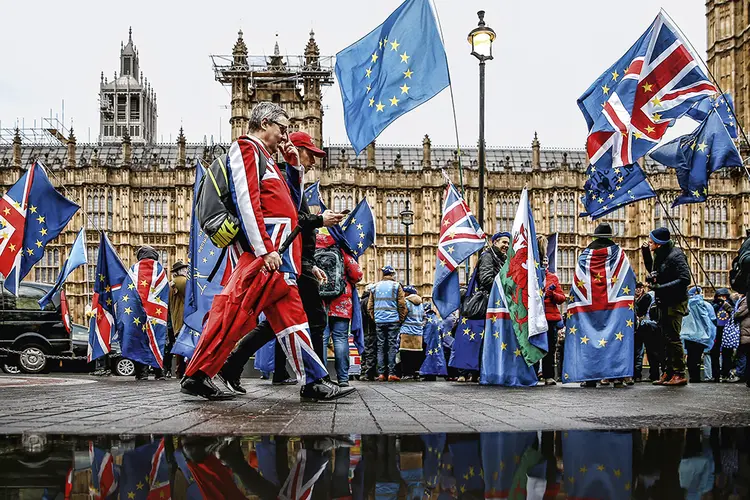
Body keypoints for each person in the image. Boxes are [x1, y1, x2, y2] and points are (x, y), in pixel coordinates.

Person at [181, 102, 354, 401]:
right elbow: (247, 201)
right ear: (264, 123)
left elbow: (290, 204)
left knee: (291, 318)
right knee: (233, 313)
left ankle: (313, 381)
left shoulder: (268, 159)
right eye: (282, 128)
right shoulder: (246, 149)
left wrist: (295, 167)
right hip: (264, 255)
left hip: (280, 254)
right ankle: (197, 374)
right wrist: (264, 250)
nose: (286, 135)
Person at [563, 222, 636, 388]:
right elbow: (630, 277)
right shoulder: (619, 255)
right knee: (616, 339)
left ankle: (590, 378)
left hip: (588, 307)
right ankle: (617, 376)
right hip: (616, 307)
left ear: (595, 236)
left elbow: (577, 282)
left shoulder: (584, 256)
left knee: (587, 339)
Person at [316, 231, 363, 387]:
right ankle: (343, 378)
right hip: (341, 302)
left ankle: (322, 377)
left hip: (319, 302)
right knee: (341, 339)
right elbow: (357, 275)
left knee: (322, 339)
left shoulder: (313, 251)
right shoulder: (341, 250)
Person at [646, 227, 691, 387]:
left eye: (651, 241)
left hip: (675, 301)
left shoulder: (676, 255)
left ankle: (679, 373)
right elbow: (660, 273)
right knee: (664, 338)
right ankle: (669, 371)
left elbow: (685, 279)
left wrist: (660, 287)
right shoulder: (661, 255)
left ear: (658, 243)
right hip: (663, 302)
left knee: (673, 338)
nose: (648, 243)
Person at [367, 266, 407, 381]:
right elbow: (402, 304)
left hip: (379, 321)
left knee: (380, 346)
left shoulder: (374, 287)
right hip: (393, 320)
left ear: (383, 274)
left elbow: (370, 306)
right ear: (393, 275)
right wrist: (400, 318)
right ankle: (391, 373)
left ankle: (380, 374)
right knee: (391, 346)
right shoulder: (396, 286)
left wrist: (376, 318)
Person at [538, 236, 566, 386]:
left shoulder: (553, 278)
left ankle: (549, 376)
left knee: (549, 347)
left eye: (546, 262)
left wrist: (552, 295)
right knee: (535, 346)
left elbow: (562, 298)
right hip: (535, 316)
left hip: (550, 317)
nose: (544, 264)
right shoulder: (532, 276)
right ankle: (533, 375)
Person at [680, 286, 716, 383]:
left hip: (688, 335)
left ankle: (692, 377)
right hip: (702, 335)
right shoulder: (706, 305)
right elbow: (712, 320)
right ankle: (697, 378)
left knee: (690, 356)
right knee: (697, 356)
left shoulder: (686, 305)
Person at [634, 281, 661, 382]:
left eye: (640, 287)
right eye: (636, 288)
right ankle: (640, 374)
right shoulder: (640, 298)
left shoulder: (646, 297)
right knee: (640, 352)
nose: (638, 290)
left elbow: (642, 312)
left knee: (648, 351)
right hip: (641, 327)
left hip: (647, 327)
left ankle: (651, 375)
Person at [399, 285, 425, 380]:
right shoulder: (421, 303)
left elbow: (402, 315)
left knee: (405, 353)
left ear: (407, 293)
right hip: (418, 332)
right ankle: (415, 373)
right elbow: (424, 317)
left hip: (407, 331)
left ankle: (407, 373)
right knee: (416, 354)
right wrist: (420, 325)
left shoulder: (406, 302)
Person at [711, 288, 737, 383]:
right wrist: (718, 304)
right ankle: (716, 374)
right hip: (717, 330)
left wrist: (727, 306)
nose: (722, 298)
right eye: (720, 297)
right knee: (714, 353)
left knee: (727, 353)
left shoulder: (732, 305)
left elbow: (735, 314)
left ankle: (725, 373)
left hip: (727, 331)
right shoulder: (714, 305)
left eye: (724, 297)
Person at [169, 260, 189, 379]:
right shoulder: (182, 281)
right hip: (184, 318)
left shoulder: (173, 282)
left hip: (176, 318)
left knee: (180, 345)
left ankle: (179, 371)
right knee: (184, 345)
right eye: (185, 269)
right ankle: (183, 371)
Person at [359, 285, 378, 381]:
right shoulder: (369, 301)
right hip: (370, 330)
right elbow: (371, 315)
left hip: (363, 329)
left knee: (365, 352)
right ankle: (369, 374)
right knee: (370, 351)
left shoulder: (361, 301)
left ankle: (363, 371)